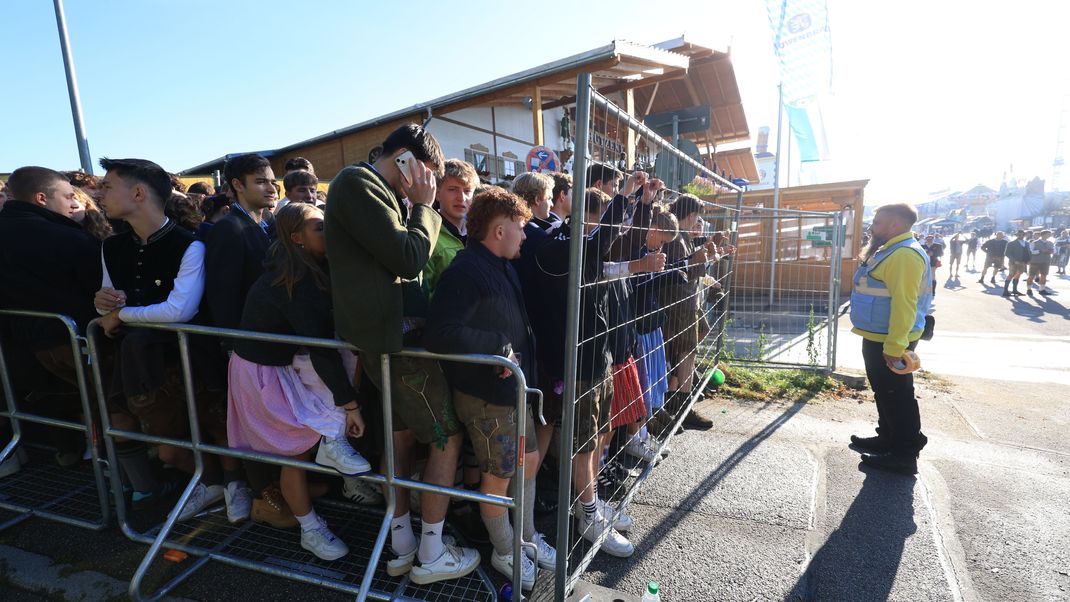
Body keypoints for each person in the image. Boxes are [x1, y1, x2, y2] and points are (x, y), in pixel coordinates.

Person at [325, 123, 479, 584]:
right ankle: (430, 553)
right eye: (428, 174)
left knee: (401, 439)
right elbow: (409, 258)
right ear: (408, 162)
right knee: (445, 437)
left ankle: (404, 544)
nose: (429, 184)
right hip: (397, 342)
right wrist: (425, 206)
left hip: (391, 340)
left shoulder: (370, 189)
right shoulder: (358, 183)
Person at [94, 157, 248, 521]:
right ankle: (209, 483)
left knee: (215, 425)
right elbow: (108, 301)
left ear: (137, 192)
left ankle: (235, 484)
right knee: (168, 445)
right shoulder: (111, 247)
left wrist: (121, 315)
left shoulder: (190, 245)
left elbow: (180, 310)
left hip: (194, 355)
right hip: (139, 359)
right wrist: (102, 305)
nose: (100, 195)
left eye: (107, 186)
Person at [424, 187, 552, 591]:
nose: (526, 235)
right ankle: (506, 550)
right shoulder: (464, 271)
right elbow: (439, 333)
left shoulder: (503, 265)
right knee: (497, 479)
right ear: (499, 231)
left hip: (515, 393)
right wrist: (496, 349)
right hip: (486, 397)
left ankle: (526, 538)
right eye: (521, 227)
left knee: (528, 463)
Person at [227, 203, 370, 561]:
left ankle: (332, 445)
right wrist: (351, 406)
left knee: (299, 446)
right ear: (296, 238)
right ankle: (310, 528)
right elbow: (322, 349)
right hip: (261, 371)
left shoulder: (306, 267)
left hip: (279, 364)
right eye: (319, 227)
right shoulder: (297, 279)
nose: (328, 232)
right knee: (294, 450)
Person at [533, 176, 646, 559]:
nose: (605, 234)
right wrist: (625, 196)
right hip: (577, 363)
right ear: (582, 216)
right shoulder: (556, 246)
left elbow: (604, 260)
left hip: (599, 357)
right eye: (600, 221)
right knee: (583, 442)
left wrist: (627, 205)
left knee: (598, 435)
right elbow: (596, 248)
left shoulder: (586, 248)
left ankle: (592, 502)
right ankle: (587, 515)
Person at [0, 166, 102, 468]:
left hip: (18, 350)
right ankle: (129, 476)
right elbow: (100, 292)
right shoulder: (67, 237)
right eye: (68, 195)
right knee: (107, 401)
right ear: (42, 198)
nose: (75, 202)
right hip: (73, 343)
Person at [848, 203, 933, 475]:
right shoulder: (891, 249)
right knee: (885, 391)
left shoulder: (904, 255)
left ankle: (904, 453)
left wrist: (895, 347)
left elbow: (905, 304)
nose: (872, 226)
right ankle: (888, 437)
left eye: (877, 221)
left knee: (897, 395)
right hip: (879, 335)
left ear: (894, 225)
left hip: (891, 340)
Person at [205, 154, 277, 335]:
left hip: (275, 334)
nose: (271, 189)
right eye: (261, 181)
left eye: (272, 182)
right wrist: (232, 343)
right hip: (250, 341)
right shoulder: (228, 229)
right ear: (237, 185)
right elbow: (223, 296)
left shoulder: (272, 223)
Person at [421, 159, 477, 298]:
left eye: (467, 191)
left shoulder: (481, 234)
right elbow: (423, 295)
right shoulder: (427, 235)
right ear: (437, 193)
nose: (461, 198)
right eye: (453, 190)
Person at [1025, 229, 1055, 296]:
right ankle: (1029, 289)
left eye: (1049, 234)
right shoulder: (1034, 242)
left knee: (1044, 275)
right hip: (1035, 261)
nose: (1050, 235)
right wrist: (1040, 251)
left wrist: (1051, 251)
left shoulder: (1050, 243)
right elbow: (1031, 251)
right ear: (1043, 235)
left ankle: (1042, 289)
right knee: (1031, 276)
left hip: (1046, 261)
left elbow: (1054, 251)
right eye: (1048, 234)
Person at [1002, 230, 1031, 298]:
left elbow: (1028, 252)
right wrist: (1014, 260)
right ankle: (1005, 291)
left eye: (1022, 234)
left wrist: (1029, 260)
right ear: (1016, 235)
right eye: (1019, 234)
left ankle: (1014, 290)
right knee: (1011, 275)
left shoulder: (1026, 243)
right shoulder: (1011, 243)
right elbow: (1007, 253)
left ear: (1024, 235)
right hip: (1014, 262)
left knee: (1018, 275)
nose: (1021, 236)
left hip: (1023, 262)